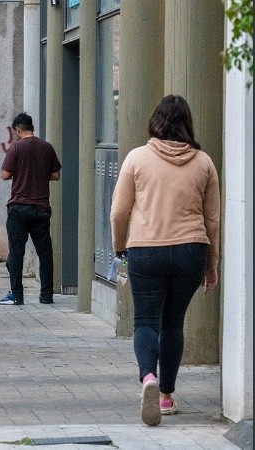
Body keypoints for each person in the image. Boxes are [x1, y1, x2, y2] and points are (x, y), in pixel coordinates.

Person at [110, 95, 220, 427]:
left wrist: (120, 247)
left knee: (146, 322)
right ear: (188, 123)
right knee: (173, 323)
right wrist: (212, 263)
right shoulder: (204, 163)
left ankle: (148, 378)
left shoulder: (136, 158)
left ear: (155, 122)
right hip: (191, 250)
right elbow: (212, 220)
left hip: (146, 250)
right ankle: (166, 397)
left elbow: (118, 212)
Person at [0, 112, 61, 306]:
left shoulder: (15, 148)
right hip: (41, 208)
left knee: (17, 253)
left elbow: (4, 174)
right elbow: (56, 175)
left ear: (18, 130)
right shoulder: (47, 147)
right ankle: (46, 295)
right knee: (45, 252)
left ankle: (17, 295)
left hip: (19, 208)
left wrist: (19, 173)